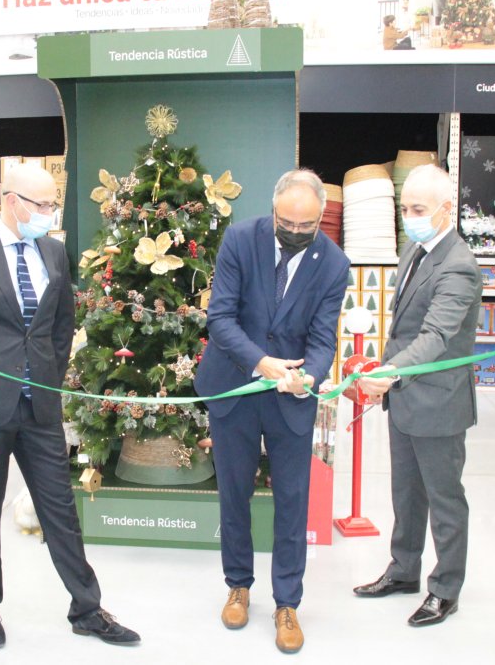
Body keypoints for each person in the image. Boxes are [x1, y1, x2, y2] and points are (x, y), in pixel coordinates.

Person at [0, 163, 139, 648]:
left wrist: (48, 374)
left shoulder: (53, 251)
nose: (50, 213)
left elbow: (61, 324)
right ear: (12, 201)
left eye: (53, 205)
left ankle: (86, 608)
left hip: (40, 405)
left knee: (60, 508)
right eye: (42, 205)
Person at [194, 169, 350, 654]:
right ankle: (238, 585)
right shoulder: (241, 239)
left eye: (307, 226)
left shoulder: (334, 264)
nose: (296, 233)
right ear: (274, 209)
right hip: (235, 386)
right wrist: (261, 362)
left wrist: (310, 375)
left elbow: (324, 337)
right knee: (234, 492)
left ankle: (288, 603)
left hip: (291, 397)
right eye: (287, 222)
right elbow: (220, 317)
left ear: (320, 218)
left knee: (292, 500)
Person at [354, 164, 481, 628]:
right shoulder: (416, 250)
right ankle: (404, 569)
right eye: (404, 208)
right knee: (406, 492)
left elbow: (436, 336)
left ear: (447, 210)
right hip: (405, 400)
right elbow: (404, 327)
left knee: (444, 498)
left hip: (439, 403)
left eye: (418, 209)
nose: (409, 216)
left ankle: (445, 589)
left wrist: (390, 372)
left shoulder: (459, 265)